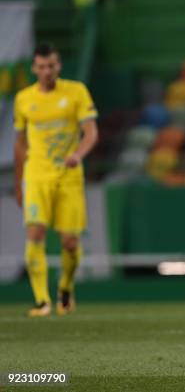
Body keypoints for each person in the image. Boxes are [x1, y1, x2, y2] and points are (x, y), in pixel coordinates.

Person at [13, 43, 98, 317]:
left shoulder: (76, 92)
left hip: (68, 175)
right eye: (41, 66)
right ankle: (41, 301)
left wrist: (78, 155)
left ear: (58, 66)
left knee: (70, 242)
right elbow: (19, 144)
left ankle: (65, 287)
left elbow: (91, 132)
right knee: (35, 233)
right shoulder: (24, 99)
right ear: (34, 68)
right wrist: (18, 183)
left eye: (51, 65)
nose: (47, 71)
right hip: (36, 174)